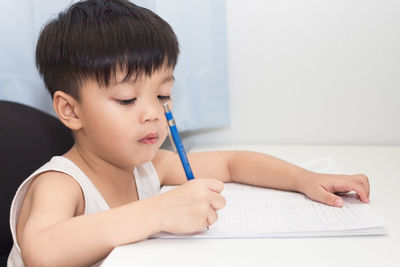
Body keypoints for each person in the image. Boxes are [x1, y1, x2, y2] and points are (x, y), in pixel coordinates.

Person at [8, 0, 370, 266]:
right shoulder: (61, 184)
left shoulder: (147, 166)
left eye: (163, 95)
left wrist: (305, 179)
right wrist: (159, 212)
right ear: (70, 110)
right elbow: (43, 250)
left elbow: (232, 162)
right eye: (127, 98)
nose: (153, 113)